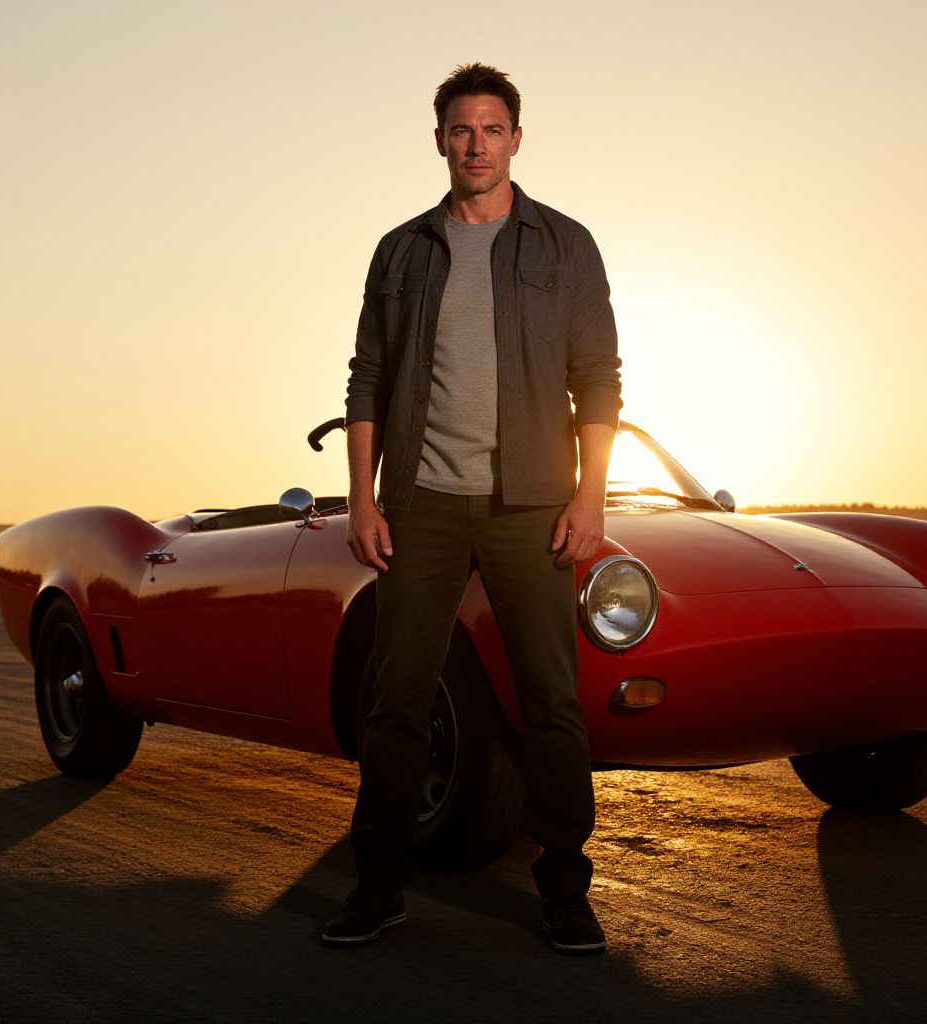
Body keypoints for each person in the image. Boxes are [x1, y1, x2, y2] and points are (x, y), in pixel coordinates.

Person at [325, 62, 622, 954]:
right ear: (441, 141)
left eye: (493, 129)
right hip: (420, 504)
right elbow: (367, 376)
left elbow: (597, 380)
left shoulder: (564, 247)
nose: (477, 144)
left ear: (516, 140)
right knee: (396, 700)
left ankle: (566, 890)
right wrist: (363, 500)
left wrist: (589, 495)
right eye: (462, 129)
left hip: (529, 507)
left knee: (553, 702)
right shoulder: (401, 251)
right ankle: (379, 887)